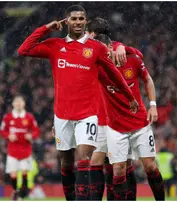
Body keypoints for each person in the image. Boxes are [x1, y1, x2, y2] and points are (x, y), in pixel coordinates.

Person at [18, 5, 138, 201]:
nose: (78, 22)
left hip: (87, 115)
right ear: (67, 21)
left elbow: (114, 75)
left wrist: (130, 97)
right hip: (62, 114)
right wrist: (46, 28)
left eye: (81, 19)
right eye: (74, 19)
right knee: (66, 163)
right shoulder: (55, 45)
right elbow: (23, 50)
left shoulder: (96, 48)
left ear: (85, 21)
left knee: (83, 159)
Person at [94, 33, 166, 201]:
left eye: (103, 51)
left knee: (150, 166)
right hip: (116, 128)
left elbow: (147, 80)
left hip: (139, 124)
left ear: (111, 47)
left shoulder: (131, 60)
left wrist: (153, 105)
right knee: (118, 170)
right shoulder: (97, 68)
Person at [0, 95, 40, 200]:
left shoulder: (29, 117)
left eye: (20, 101)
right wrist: (8, 135)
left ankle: (22, 193)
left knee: (24, 172)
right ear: (13, 104)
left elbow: (36, 130)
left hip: (25, 149)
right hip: (12, 150)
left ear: (24, 104)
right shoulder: (8, 117)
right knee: (13, 173)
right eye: (16, 102)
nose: (18, 103)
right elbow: (2, 130)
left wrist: (31, 136)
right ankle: (15, 192)